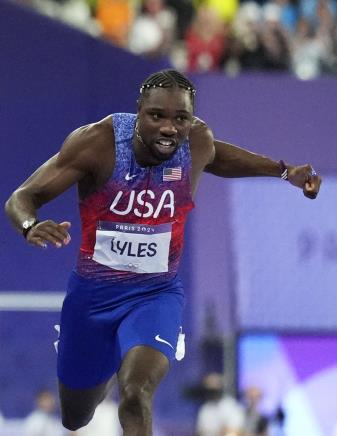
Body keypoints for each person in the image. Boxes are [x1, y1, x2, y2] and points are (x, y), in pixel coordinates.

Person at [4, 69, 321, 436]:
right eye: (157, 116)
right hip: (92, 299)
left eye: (181, 119)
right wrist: (29, 225)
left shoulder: (197, 141)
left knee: (137, 393)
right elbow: (21, 197)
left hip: (155, 295)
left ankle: (124, 358)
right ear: (138, 111)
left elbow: (217, 156)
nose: (169, 128)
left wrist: (284, 172)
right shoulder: (98, 143)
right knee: (76, 417)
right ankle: (105, 359)